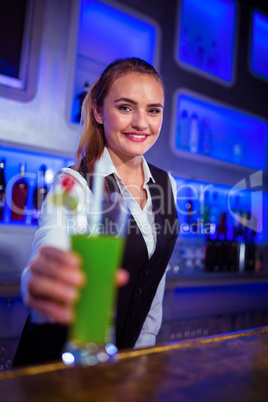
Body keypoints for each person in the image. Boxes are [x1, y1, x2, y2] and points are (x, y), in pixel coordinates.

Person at [13, 57, 179, 367]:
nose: (142, 123)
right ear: (99, 111)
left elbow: (154, 286)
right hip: (54, 369)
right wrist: (40, 279)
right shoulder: (72, 183)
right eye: (125, 107)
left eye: (153, 110)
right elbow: (51, 245)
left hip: (120, 369)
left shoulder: (166, 184)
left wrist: (140, 357)